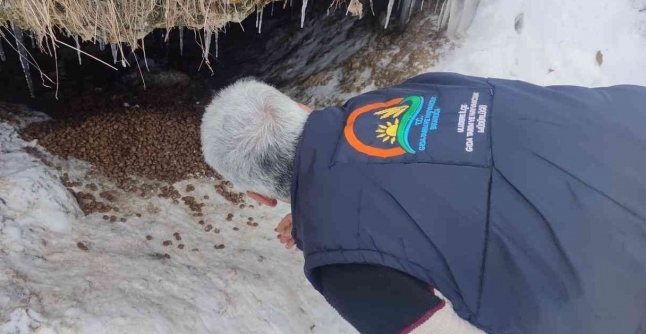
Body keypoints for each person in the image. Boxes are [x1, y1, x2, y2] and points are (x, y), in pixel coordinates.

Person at [199, 73, 646, 334]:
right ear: (298, 106)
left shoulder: (340, 263)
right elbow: (434, 168)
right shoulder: (407, 92)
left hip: (620, 284)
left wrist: (330, 232)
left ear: (257, 196)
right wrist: (321, 214)